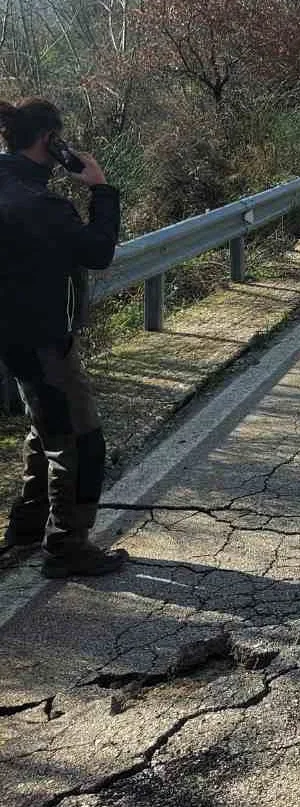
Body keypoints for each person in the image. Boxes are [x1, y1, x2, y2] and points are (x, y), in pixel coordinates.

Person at [0, 98, 126, 578]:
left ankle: (27, 527)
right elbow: (97, 251)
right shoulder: (43, 205)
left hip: (11, 336)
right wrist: (100, 189)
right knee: (79, 440)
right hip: (44, 336)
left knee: (44, 428)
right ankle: (67, 547)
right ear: (51, 142)